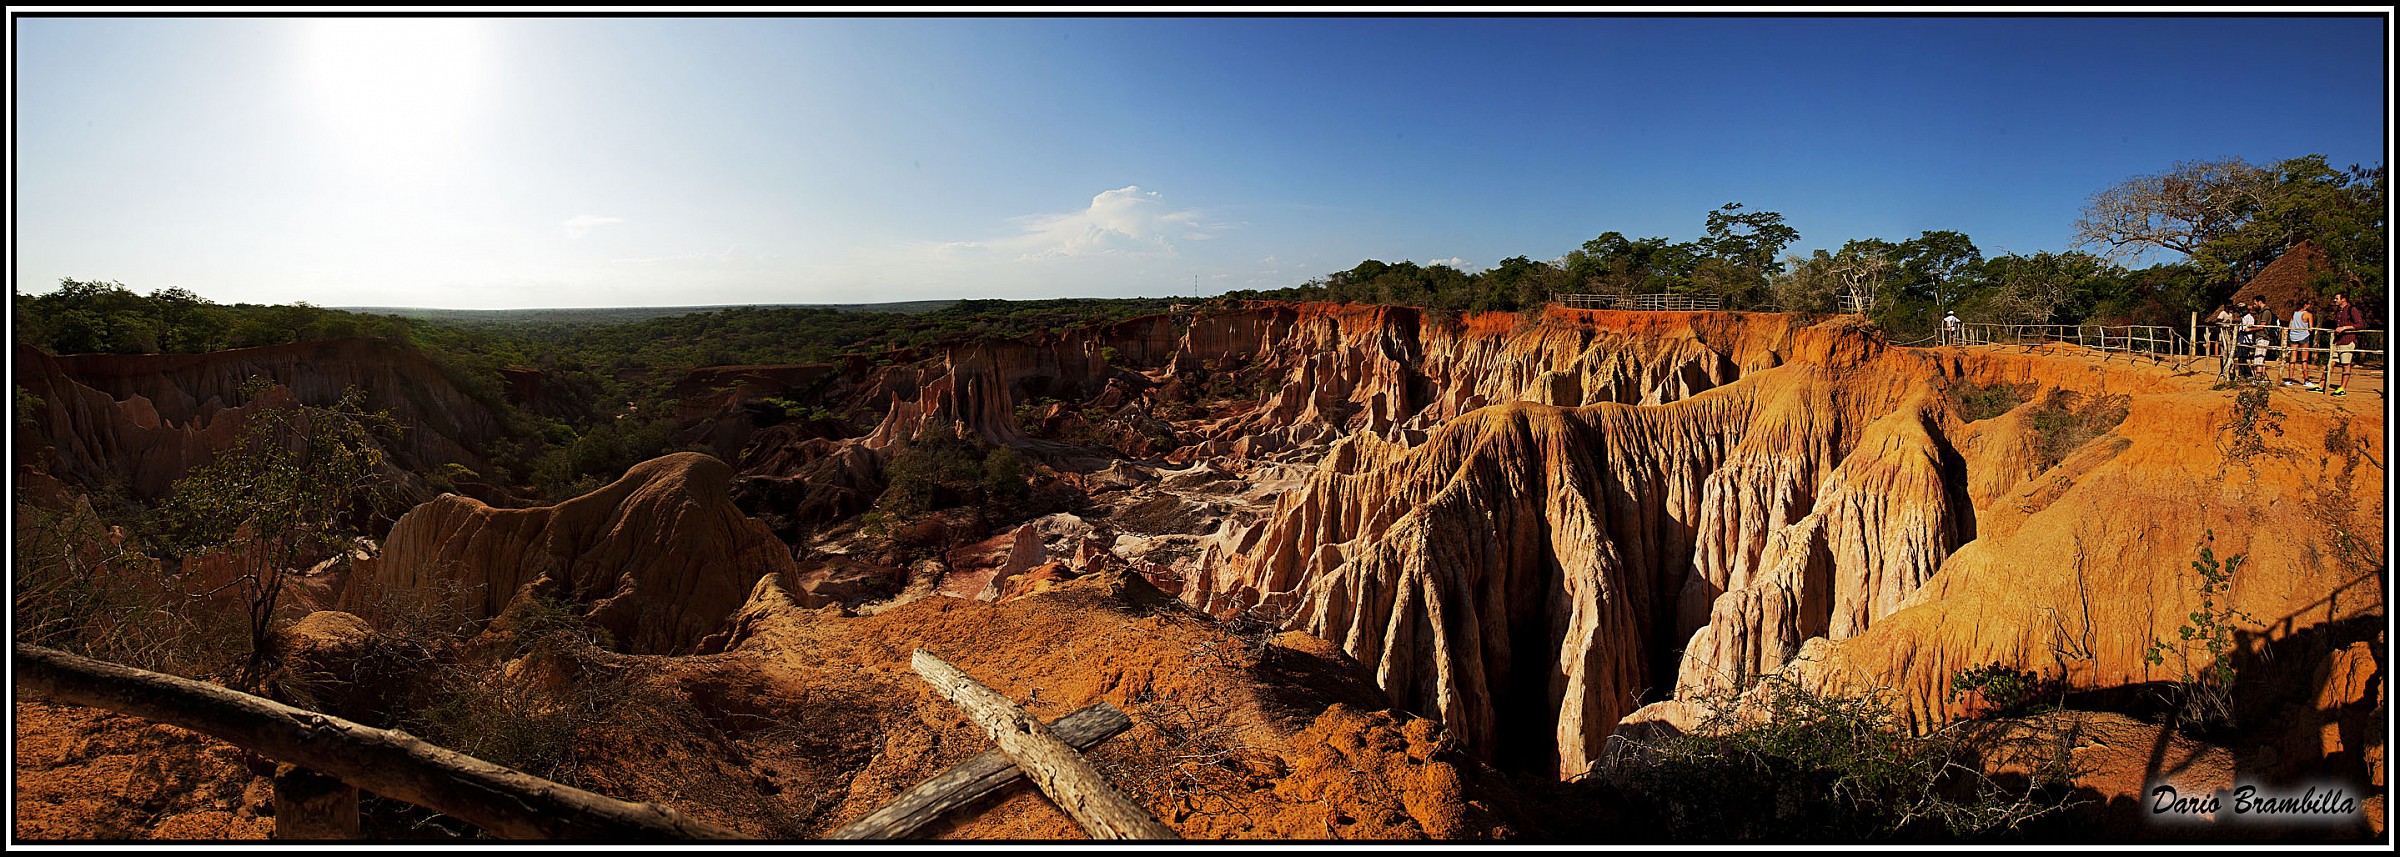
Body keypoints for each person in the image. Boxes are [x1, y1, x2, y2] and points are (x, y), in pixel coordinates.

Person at [2327, 292, 2371, 397]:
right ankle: (2321, 384)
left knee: (2346, 364)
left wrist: (2345, 328)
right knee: (2330, 363)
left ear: (2343, 299)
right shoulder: (2339, 311)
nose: (2335, 300)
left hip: (2347, 341)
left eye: (2336, 298)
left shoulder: (2352, 310)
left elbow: (2360, 324)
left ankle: (2342, 388)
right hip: (2338, 341)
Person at [2283, 301, 2316, 388]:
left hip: (2293, 336)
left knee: (2293, 357)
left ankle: (2290, 379)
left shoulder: (2294, 314)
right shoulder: (2308, 314)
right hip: (2303, 336)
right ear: (2305, 305)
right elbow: (2311, 328)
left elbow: (2290, 326)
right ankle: (2306, 379)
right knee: (2304, 359)